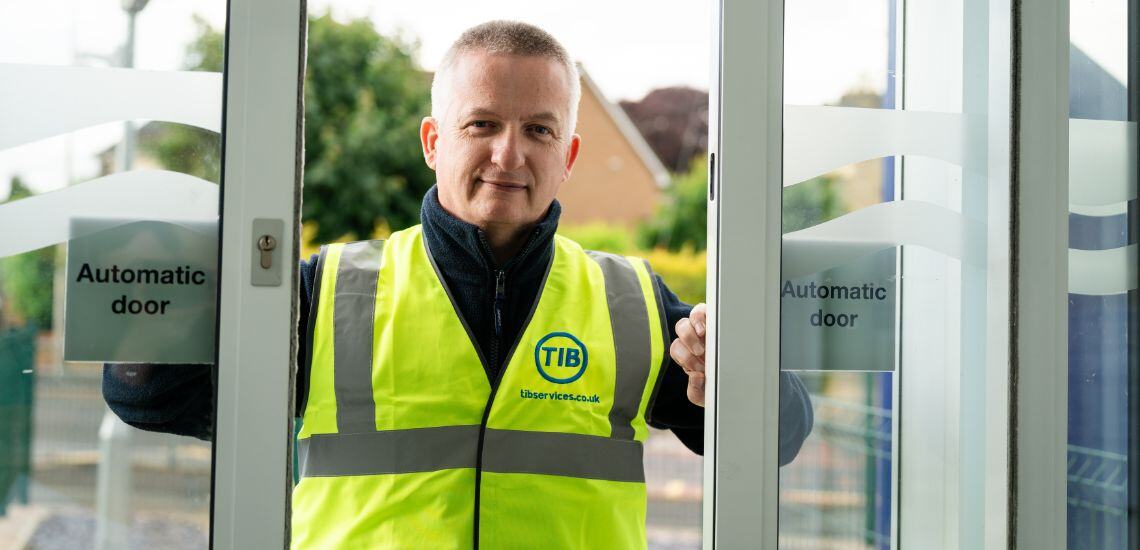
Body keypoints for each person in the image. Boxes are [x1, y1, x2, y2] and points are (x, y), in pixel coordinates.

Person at [103, 20, 813, 549]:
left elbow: (781, 435)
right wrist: (168, 277)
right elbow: (146, 393)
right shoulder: (328, 294)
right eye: (483, 124)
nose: (510, 153)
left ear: (567, 155)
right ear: (433, 142)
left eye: (538, 130)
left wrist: (727, 376)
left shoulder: (631, 301)